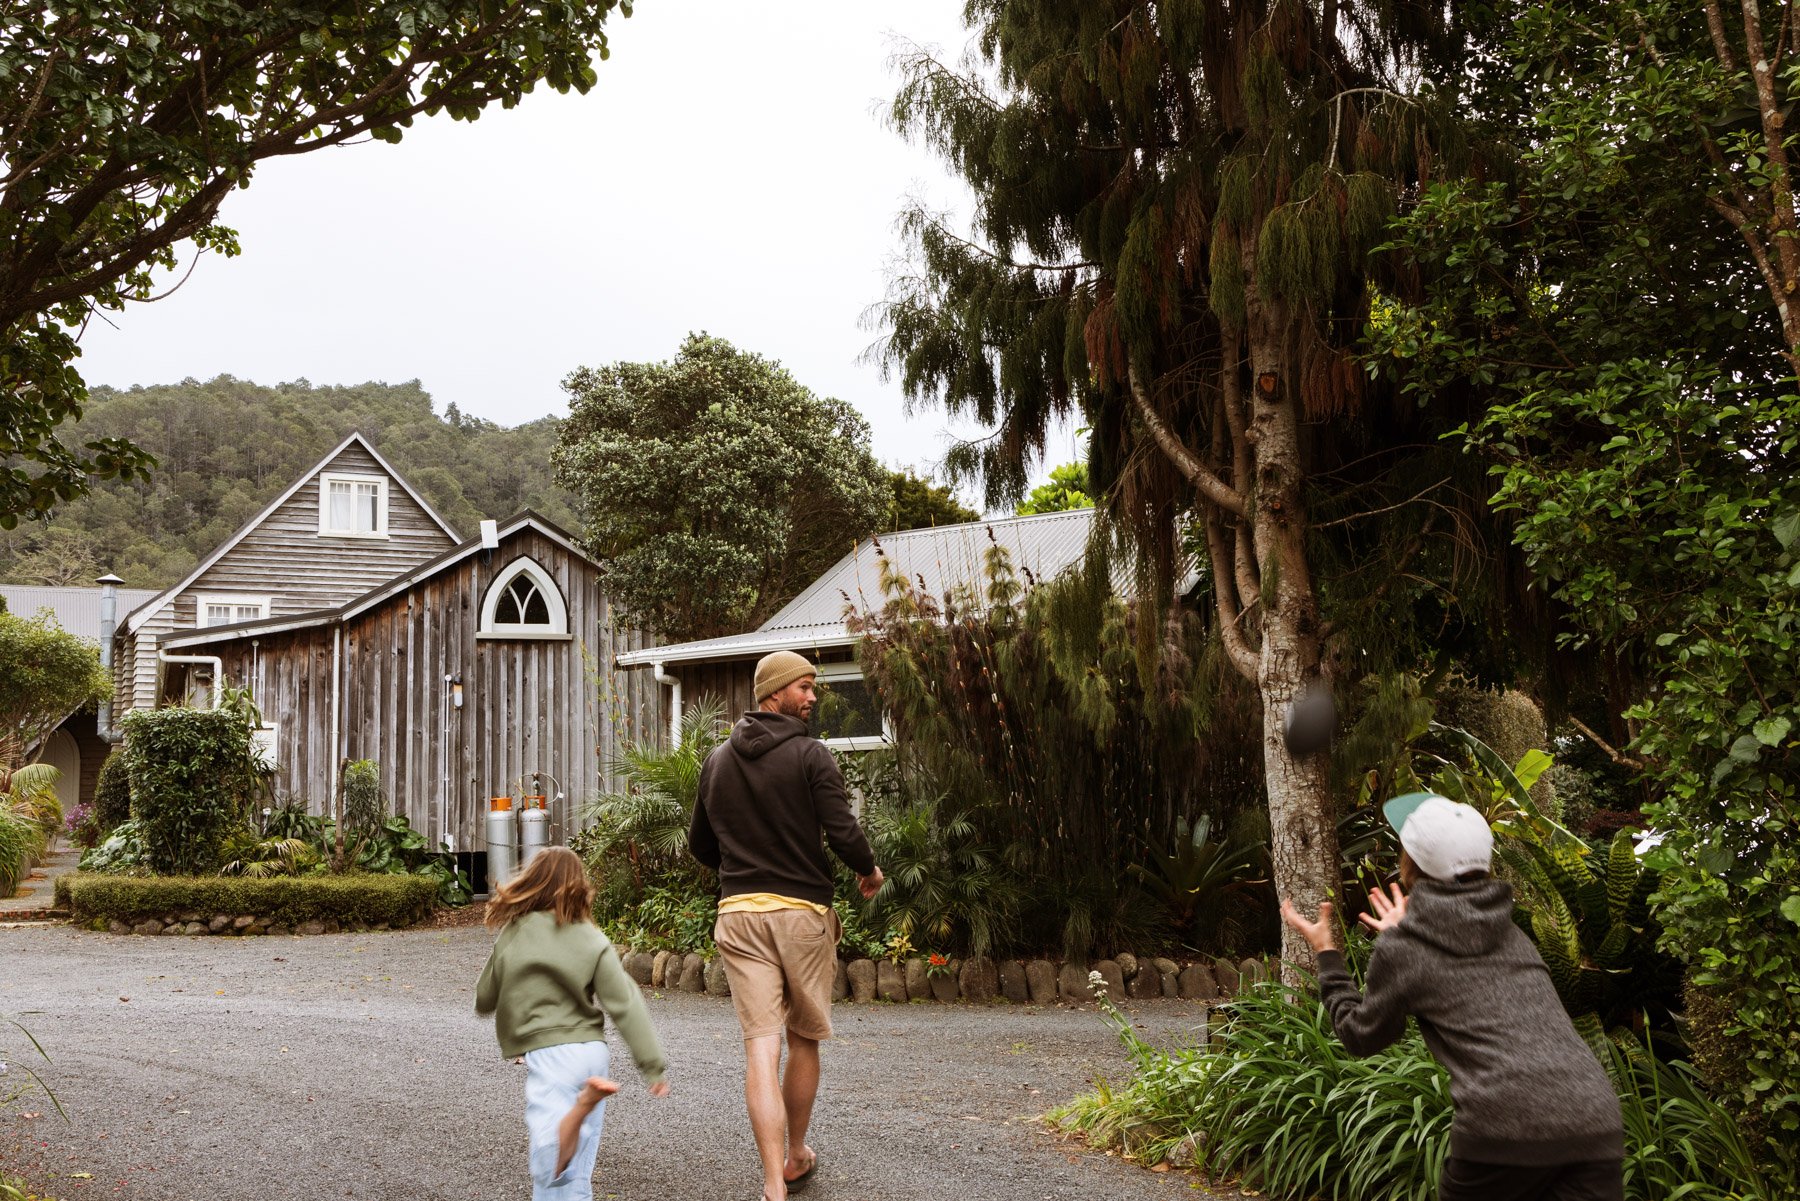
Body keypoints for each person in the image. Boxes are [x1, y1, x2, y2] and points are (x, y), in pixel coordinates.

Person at [1281, 793, 1624, 1201]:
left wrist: (1328, 955)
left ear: (1410, 864)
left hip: (1506, 1121)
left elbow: (1362, 1035)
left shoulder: (1406, 949)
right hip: (1594, 1115)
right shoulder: (1514, 937)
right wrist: (1405, 935)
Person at [689, 650, 884, 1201]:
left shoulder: (718, 760)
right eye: (804, 687)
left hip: (740, 916)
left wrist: (743, 867)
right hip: (800, 917)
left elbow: (701, 845)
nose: (813, 696)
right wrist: (867, 869)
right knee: (802, 1039)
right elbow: (842, 830)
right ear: (774, 692)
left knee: (759, 1047)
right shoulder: (810, 754)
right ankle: (796, 1153)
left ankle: (773, 1185)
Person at [476, 846, 671, 1200]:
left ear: (533, 883)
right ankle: (583, 1108)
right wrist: (652, 1066)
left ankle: (584, 1103)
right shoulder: (590, 937)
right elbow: (625, 1004)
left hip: (552, 1056)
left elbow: (484, 997)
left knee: (549, 1161)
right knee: (577, 1173)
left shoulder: (515, 933)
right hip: (592, 1054)